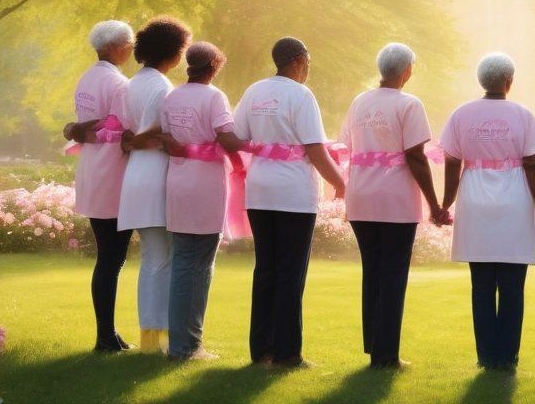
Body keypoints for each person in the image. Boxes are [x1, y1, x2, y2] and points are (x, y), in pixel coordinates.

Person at [233, 36, 346, 368]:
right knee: (290, 273)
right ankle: (288, 353)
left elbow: (236, 136)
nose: (308, 66)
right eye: (308, 60)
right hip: (293, 193)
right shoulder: (301, 95)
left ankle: (261, 351)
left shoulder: (255, 91)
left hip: (260, 189)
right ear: (298, 60)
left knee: (265, 270)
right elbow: (315, 149)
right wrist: (341, 183)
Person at [340, 42, 448, 369]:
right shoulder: (409, 104)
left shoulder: (360, 102)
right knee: (393, 275)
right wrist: (434, 203)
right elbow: (415, 156)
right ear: (406, 71)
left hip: (360, 195)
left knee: (372, 272)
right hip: (394, 199)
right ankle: (386, 356)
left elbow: (349, 145)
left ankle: (375, 347)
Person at [438, 53, 535, 372]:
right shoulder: (523, 115)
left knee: (481, 284)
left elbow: (452, 163)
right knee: (513, 286)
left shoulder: (462, 114)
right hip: (515, 201)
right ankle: (508, 355)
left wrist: (446, 203)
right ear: (509, 81)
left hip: (474, 199)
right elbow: (532, 165)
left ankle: (486, 355)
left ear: (481, 80)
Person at [160, 43, 245, 361]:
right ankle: (189, 346)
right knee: (201, 265)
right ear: (213, 66)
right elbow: (226, 135)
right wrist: (249, 152)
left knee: (182, 262)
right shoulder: (214, 97)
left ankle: (179, 343)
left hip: (178, 182)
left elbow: (169, 140)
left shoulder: (173, 97)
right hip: (205, 184)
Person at [117, 16, 192, 353]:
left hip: (135, 175)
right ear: (173, 53)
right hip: (156, 174)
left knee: (152, 259)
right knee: (163, 260)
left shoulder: (132, 83)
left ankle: (152, 335)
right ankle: (157, 338)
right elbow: (164, 131)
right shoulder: (162, 87)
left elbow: (128, 129)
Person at [63, 20, 135, 352]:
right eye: (129, 44)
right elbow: (130, 129)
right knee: (112, 257)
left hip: (93, 169)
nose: (132, 50)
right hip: (112, 174)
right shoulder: (119, 84)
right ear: (116, 47)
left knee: (107, 255)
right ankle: (105, 334)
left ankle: (106, 331)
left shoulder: (87, 79)